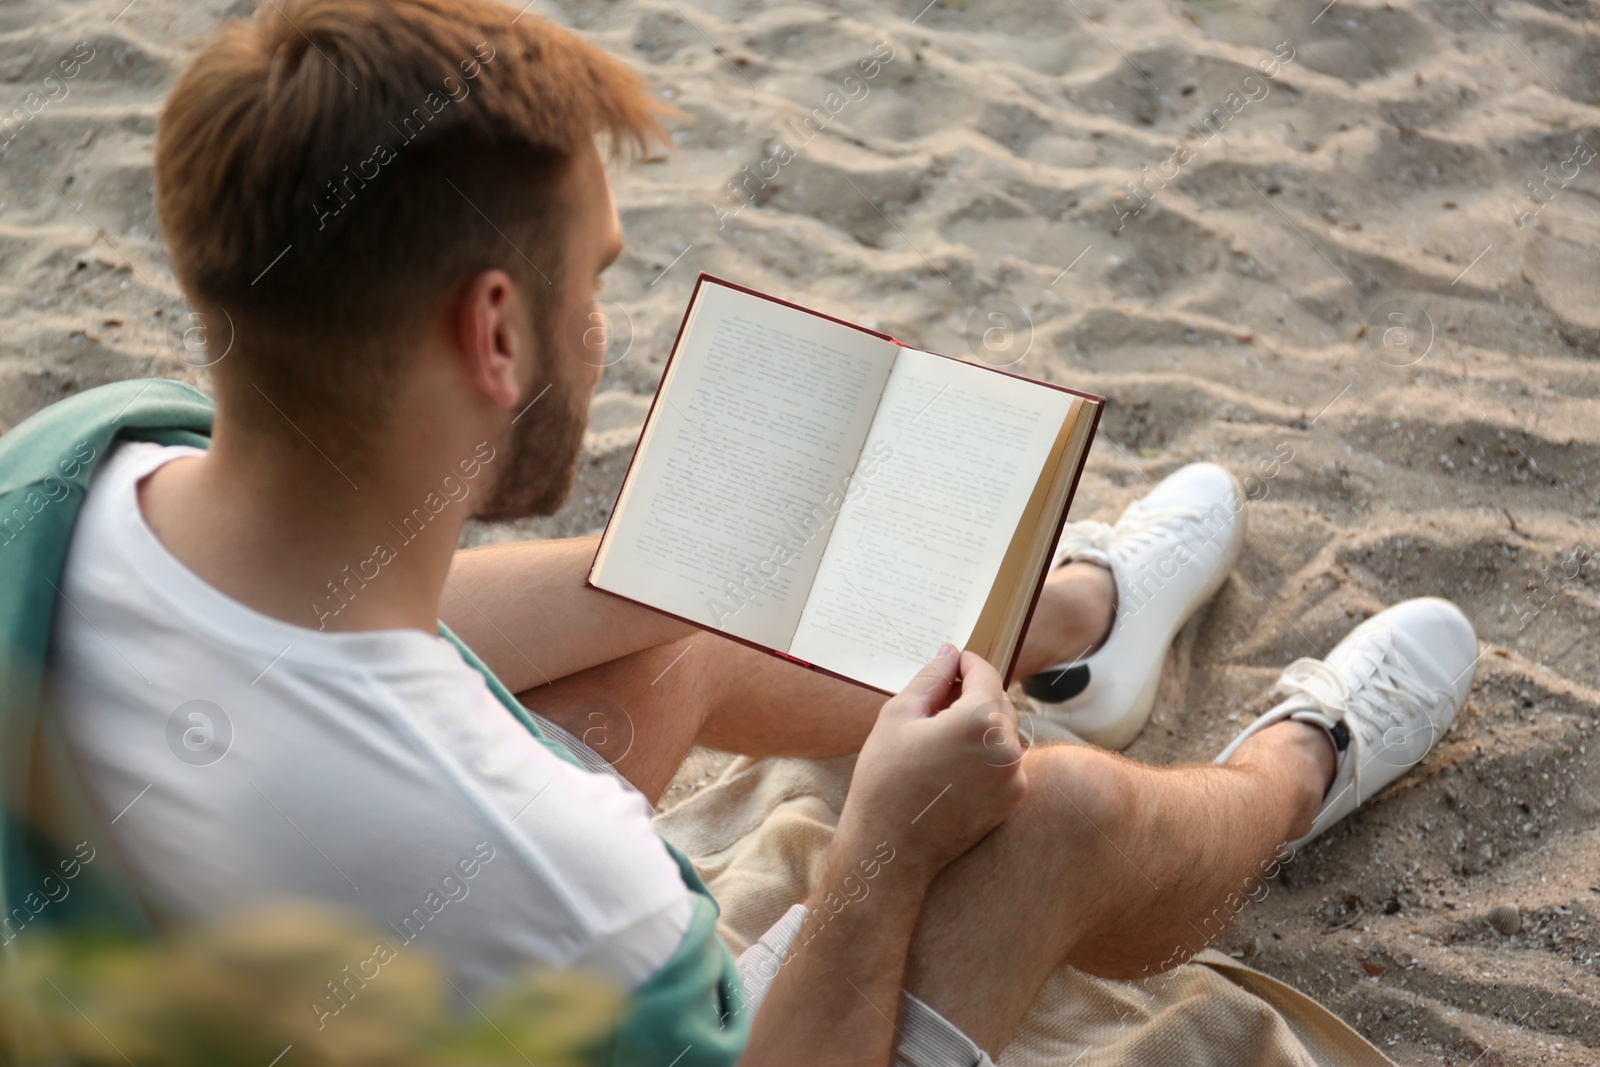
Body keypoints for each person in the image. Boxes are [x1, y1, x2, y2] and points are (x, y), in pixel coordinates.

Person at [0, 1, 1478, 1063]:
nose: (601, 324)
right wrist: (889, 845)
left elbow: (361, 624)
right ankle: (1300, 766)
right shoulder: (543, 861)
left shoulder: (75, 466)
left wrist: (668, 569)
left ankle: (1063, 627)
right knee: (1062, 822)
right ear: (497, 331)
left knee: (675, 639)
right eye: (595, 280)